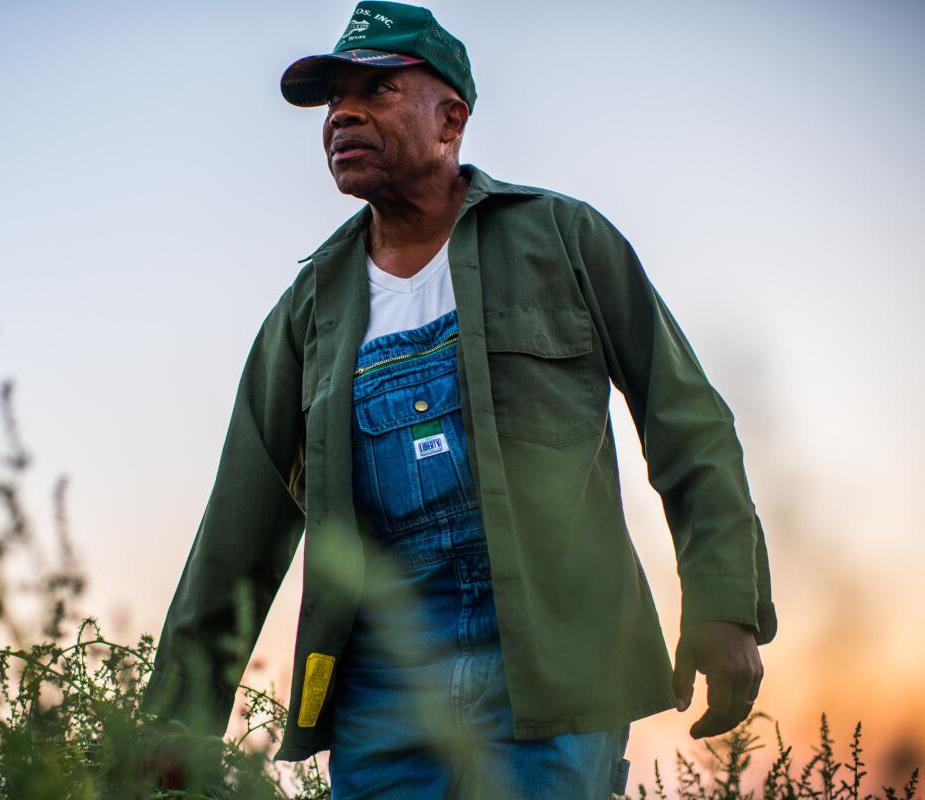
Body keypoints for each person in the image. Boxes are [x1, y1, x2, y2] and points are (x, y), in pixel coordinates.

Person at [138, 2, 777, 798]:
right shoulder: (310, 308)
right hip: (381, 681)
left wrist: (725, 604)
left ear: (452, 117)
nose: (343, 113)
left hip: (556, 661)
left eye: (375, 89)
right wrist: (176, 714)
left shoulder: (563, 239)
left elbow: (689, 426)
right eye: (333, 98)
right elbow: (240, 522)